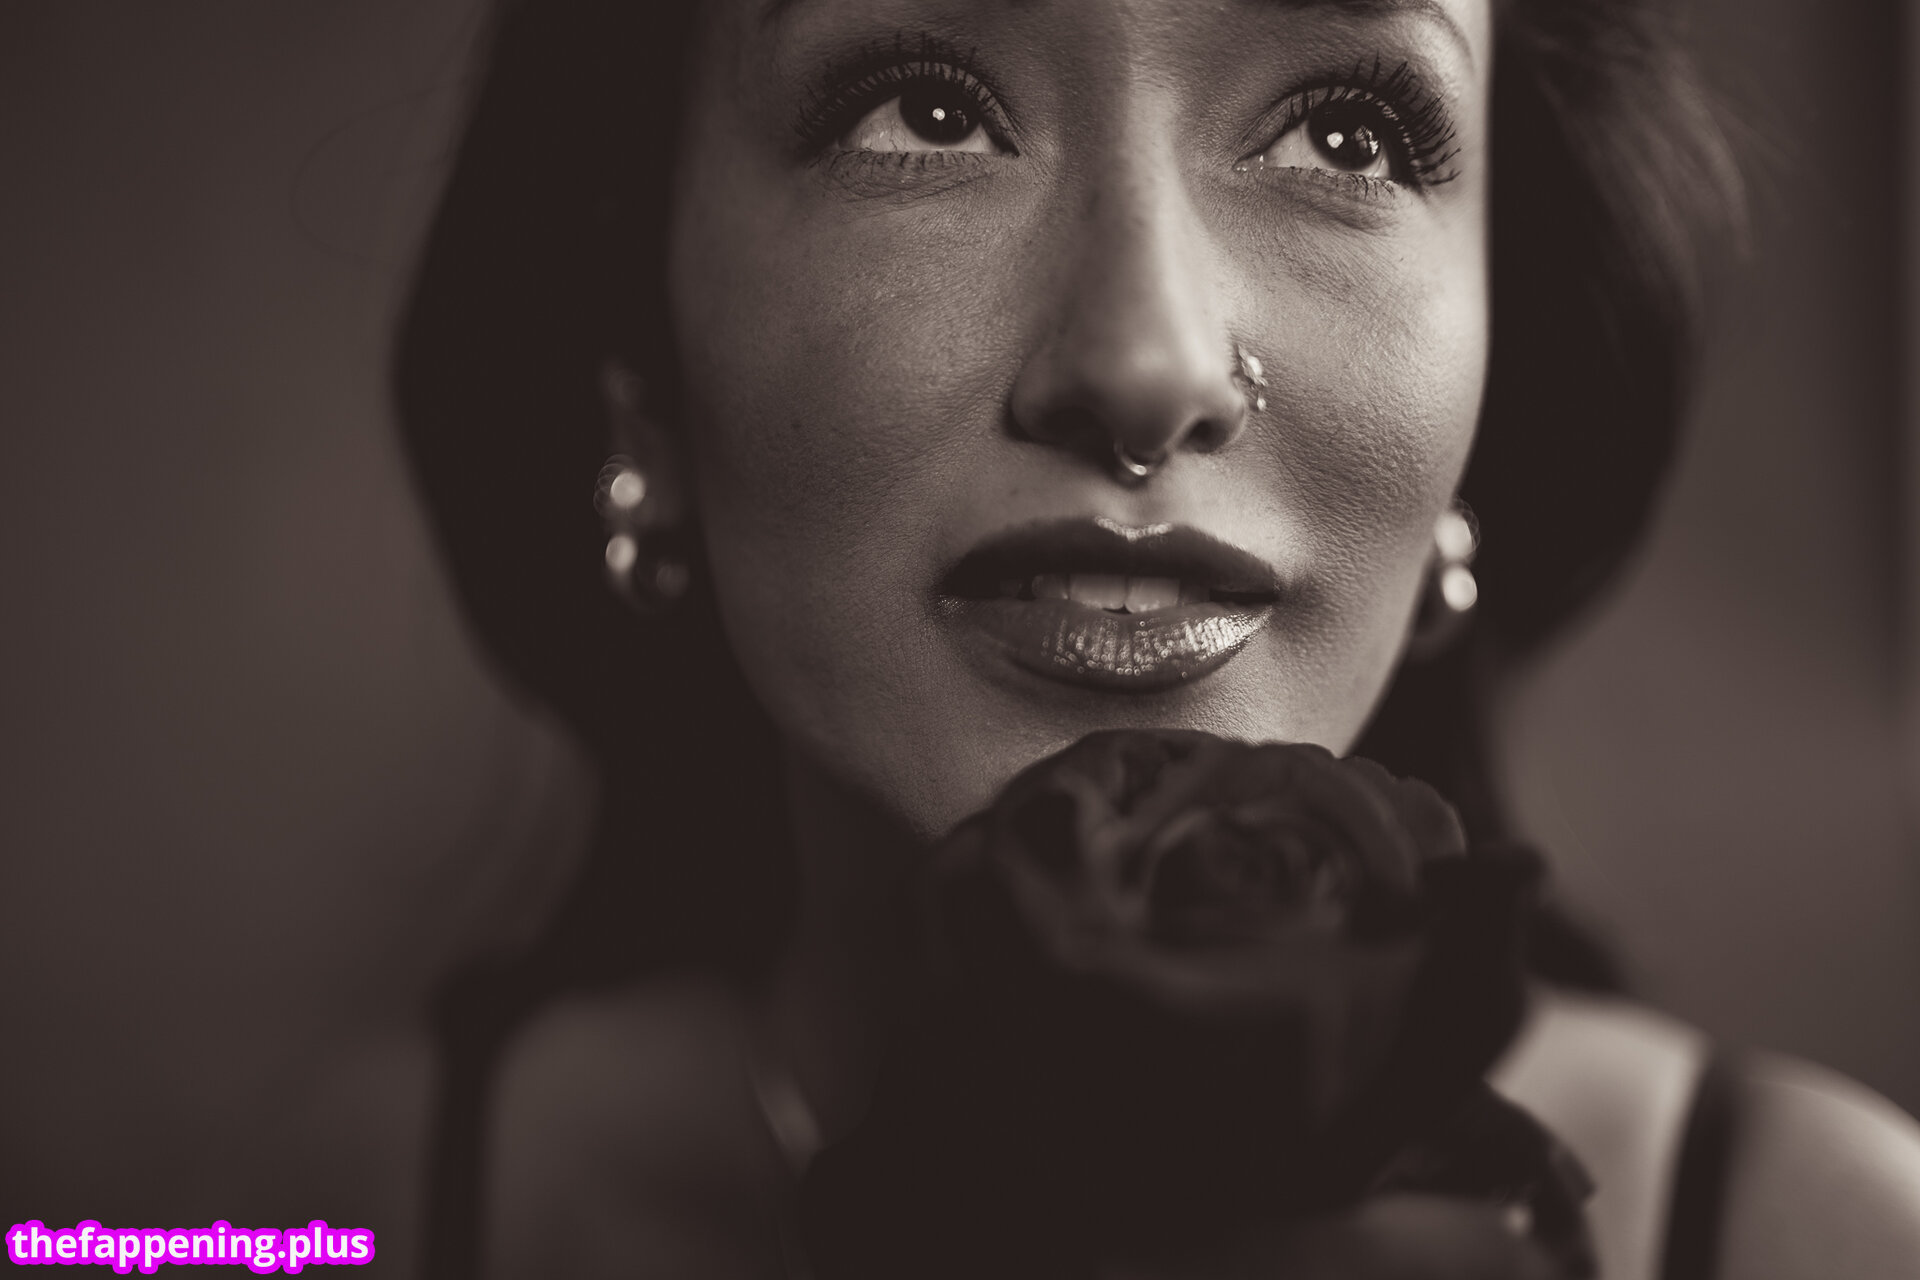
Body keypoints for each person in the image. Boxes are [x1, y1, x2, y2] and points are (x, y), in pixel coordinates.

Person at [393, 0, 1920, 1276]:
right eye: (926, 114)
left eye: (1345, 135)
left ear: (1496, 376)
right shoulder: (311, 1221)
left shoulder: (1827, 1239)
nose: (1147, 364)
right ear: (638, 360)